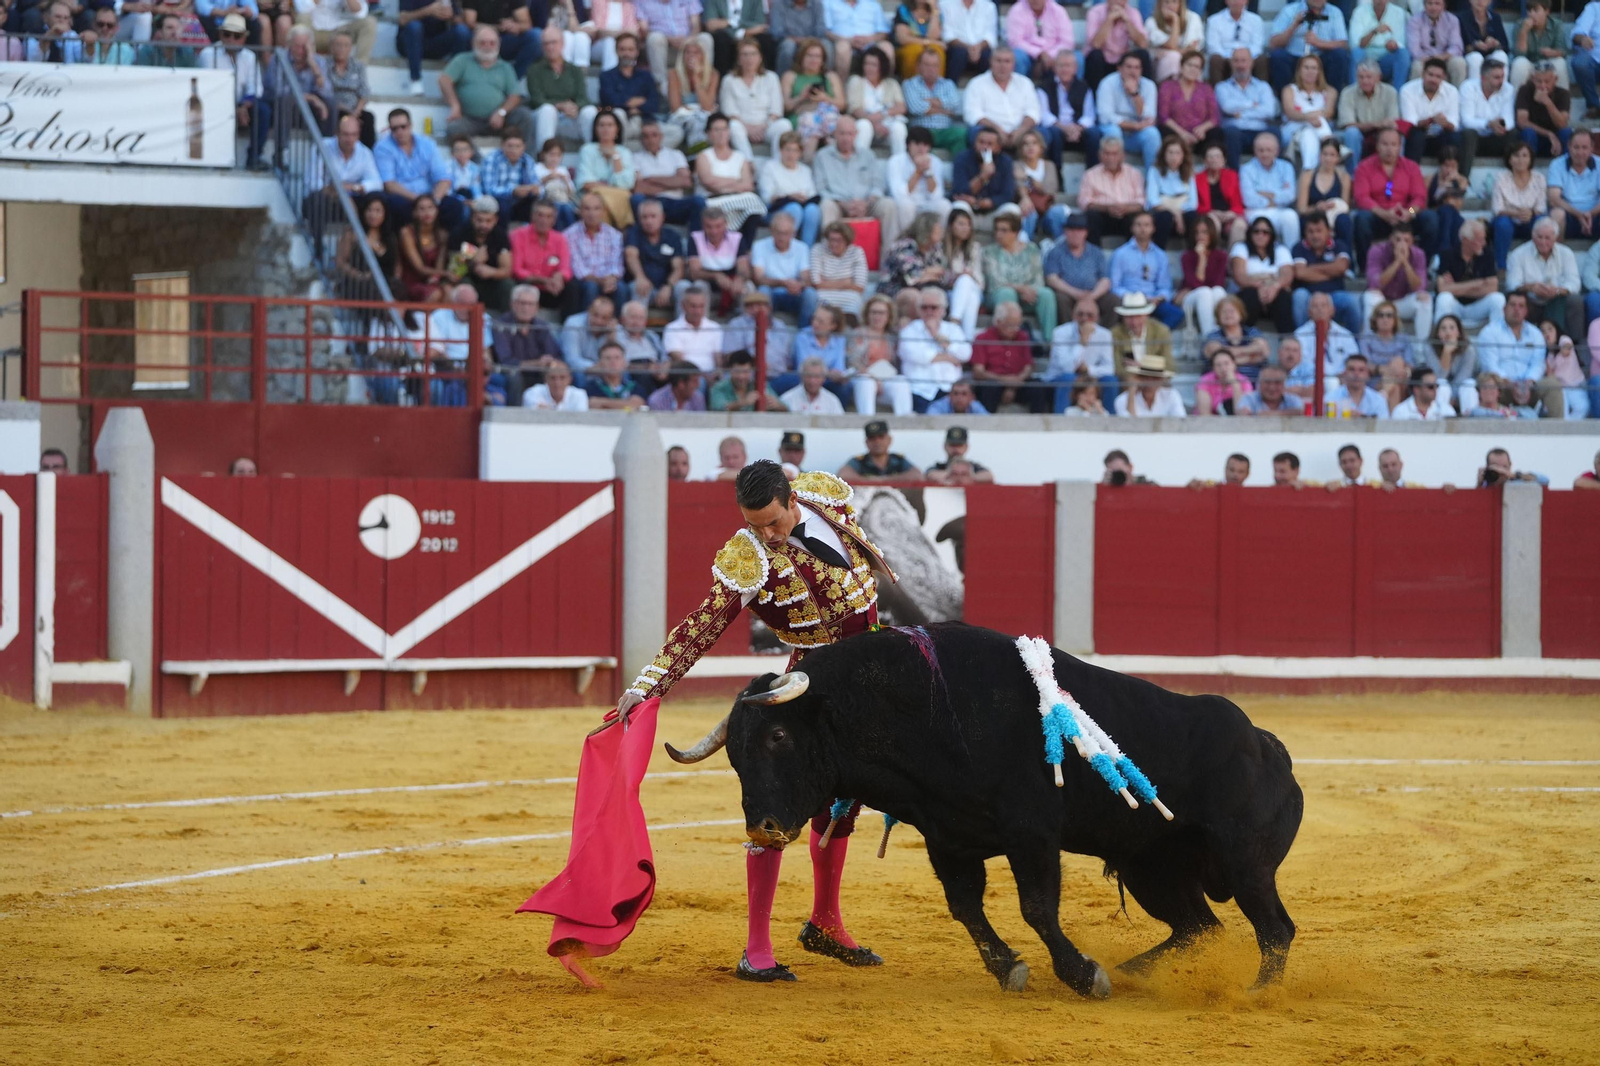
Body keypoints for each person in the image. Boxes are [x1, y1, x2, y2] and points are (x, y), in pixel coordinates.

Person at [615, 462, 899, 982]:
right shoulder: (750, 557)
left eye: (772, 522)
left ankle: (825, 921)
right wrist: (648, 685)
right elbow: (701, 625)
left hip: (868, 683)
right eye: (754, 524)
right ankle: (756, 948)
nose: (765, 534)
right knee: (775, 809)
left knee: (844, 805)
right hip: (804, 692)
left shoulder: (825, 498)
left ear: (793, 501)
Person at [1351, 127, 1434, 269]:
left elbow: (1419, 198)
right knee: (1361, 219)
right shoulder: (1364, 167)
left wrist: (1410, 212)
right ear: (1377, 146)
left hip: (1405, 218)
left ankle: (1422, 267)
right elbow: (1362, 198)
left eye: (1393, 144)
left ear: (1400, 146)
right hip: (1379, 217)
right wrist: (1383, 213)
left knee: (1431, 219)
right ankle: (1365, 268)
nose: (1389, 149)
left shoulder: (1411, 167)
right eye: (1385, 144)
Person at [815, 114, 900, 245]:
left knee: (888, 205)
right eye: (842, 133)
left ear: (856, 134)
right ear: (835, 134)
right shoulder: (822, 156)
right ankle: (828, 257)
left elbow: (878, 185)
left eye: (850, 134)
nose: (846, 138)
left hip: (866, 203)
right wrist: (843, 204)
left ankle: (889, 259)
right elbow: (821, 189)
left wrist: (865, 203)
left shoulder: (868, 155)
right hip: (838, 204)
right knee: (826, 206)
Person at [376, 108, 464, 228]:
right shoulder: (383, 148)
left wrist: (433, 201)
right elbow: (389, 184)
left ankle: (445, 244)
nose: (399, 131)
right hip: (404, 197)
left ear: (411, 125)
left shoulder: (427, 144)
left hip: (431, 197)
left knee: (455, 206)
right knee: (396, 205)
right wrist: (419, 201)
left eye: (403, 126)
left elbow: (443, 178)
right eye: (394, 129)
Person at [1508, 216, 1583, 344]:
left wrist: (1558, 291)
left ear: (1555, 238)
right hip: (1531, 300)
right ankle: (1520, 342)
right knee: (1515, 301)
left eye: (1547, 238)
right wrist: (1532, 287)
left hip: (1557, 298)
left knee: (1575, 301)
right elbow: (1512, 284)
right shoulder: (1518, 254)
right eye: (1539, 237)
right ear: (1532, 235)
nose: (1543, 242)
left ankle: (1574, 345)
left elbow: (1574, 283)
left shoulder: (1566, 253)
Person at [964, 46, 1049, 158]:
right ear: (991, 62)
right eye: (998, 61)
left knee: (1045, 133)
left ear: (1013, 64)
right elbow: (973, 114)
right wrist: (998, 130)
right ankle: (985, 169)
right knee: (975, 132)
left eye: (1007, 61)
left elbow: (1033, 112)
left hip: (1021, 132)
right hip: (991, 131)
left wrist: (1021, 131)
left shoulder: (1025, 83)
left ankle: (1045, 171)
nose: (1002, 66)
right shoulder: (977, 83)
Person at [898, 285, 971, 410]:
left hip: (950, 390)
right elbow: (914, 356)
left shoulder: (954, 330)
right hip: (919, 390)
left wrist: (937, 336)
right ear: (918, 309)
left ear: (943, 310)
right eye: (924, 307)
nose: (929, 311)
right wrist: (950, 358)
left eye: (934, 307)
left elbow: (965, 354)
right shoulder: (909, 330)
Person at [1109, 212, 1184, 330]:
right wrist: (1133, 297)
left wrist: (1159, 298)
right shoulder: (1120, 254)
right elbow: (1114, 286)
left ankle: (1153, 338)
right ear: (1132, 228)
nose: (1143, 229)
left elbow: (1165, 286)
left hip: (1153, 301)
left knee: (1176, 313)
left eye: (1146, 225)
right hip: (1129, 300)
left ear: (1153, 228)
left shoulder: (1160, 255)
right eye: (1138, 225)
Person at [526, 29, 598, 151]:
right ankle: (544, 157)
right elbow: (536, 100)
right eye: (546, 44)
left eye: (554, 42)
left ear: (562, 43)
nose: (550, 47)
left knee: (590, 111)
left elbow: (583, 97)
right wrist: (559, 106)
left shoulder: (574, 70)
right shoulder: (534, 70)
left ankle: (594, 154)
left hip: (570, 116)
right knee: (547, 110)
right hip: (544, 118)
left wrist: (575, 107)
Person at [985, 213, 1056, 336]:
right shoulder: (990, 252)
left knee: (1046, 294)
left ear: (1016, 232)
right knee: (1007, 292)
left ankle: (1049, 342)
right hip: (999, 296)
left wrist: (1029, 291)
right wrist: (1021, 289)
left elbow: (1038, 279)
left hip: (1027, 297)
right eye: (997, 230)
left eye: (1004, 230)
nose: (998, 234)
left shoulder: (1031, 249)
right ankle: (1006, 339)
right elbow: (996, 281)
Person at [632, 118, 703, 231]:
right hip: (651, 204)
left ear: (661, 137)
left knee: (698, 201)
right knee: (637, 199)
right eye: (645, 136)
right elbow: (640, 188)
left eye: (654, 135)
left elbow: (686, 181)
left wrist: (651, 179)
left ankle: (696, 243)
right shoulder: (635, 158)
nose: (650, 139)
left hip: (675, 203)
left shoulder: (675, 155)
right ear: (641, 139)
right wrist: (673, 181)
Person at [1045, 212, 1114, 329]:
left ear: (1086, 232)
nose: (1075, 234)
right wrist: (1075, 293)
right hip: (1069, 294)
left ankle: (1105, 334)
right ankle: (1069, 333)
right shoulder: (1056, 252)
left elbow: (1105, 280)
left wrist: (1092, 296)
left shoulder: (1096, 252)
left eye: (1079, 230)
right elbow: (1052, 279)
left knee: (1114, 301)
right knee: (1060, 298)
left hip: (1094, 294)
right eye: (1071, 230)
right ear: (1065, 231)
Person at [1047, 298, 1117, 412]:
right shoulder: (1060, 332)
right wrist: (1082, 342)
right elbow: (1066, 368)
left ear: (1097, 317)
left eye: (1089, 315)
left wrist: (1088, 369)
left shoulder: (1105, 334)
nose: (1084, 318)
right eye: (1080, 314)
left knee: (1110, 380)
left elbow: (1109, 368)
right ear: (1073, 315)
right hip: (1059, 377)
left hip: (1089, 376)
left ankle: (1112, 422)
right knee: (1068, 378)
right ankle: (1061, 422)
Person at [1290, 211, 1356, 331]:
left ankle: (1354, 343)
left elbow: (1341, 268)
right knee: (1299, 296)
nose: (1315, 235)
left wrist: (1311, 269)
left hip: (1334, 295)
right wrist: (1332, 271)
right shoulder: (1299, 247)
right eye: (1310, 232)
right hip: (1308, 294)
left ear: (1328, 231)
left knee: (1351, 302)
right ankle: (1301, 339)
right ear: (1305, 233)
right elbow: (1300, 273)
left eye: (1319, 231)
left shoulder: (1339, 245)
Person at [720, 39, 786, 158]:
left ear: (760, 57)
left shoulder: (771, 77)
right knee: (733, 126)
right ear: (739, 59)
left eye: (753, 54)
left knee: (784, 125)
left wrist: (762, 128)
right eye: (745, 54)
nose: (749, 58)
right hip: (742, 126)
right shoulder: (729, 80)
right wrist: (749, 129)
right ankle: (748, 162)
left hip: (766, 126)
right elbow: (729, 112)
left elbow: (776, 110)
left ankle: (778, 163)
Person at [750, 210, 818, 326]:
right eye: (778, 233)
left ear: (793, 233)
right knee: (763, 291)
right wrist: (782, 283)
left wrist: (799, 285)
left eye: (786, 233)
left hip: (794, 293)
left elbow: (806, 278)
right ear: (771, 231)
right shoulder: (759, 246)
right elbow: (759, 278)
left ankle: (804, 332)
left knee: (810, 294)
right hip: (772, 291)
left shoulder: (802, 248)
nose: (782, 237)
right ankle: (765, 331)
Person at [1267, 0, 1350, 94]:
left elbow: (1343, 44)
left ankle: (1332, 100)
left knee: (1339, 55)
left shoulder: (1335, 12)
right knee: (1278, 56)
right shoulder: (1290, 10)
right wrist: (1294, 25)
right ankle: (1286, 101)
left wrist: (1318, 43)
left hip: (1321, 57)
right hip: (1295, 57)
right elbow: (1273, 44)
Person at [848, 295, 912, 415]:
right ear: (867, 314)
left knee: (901, 381)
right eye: (874, 312)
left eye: (882, 313)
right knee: (866, 382)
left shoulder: (891, 337)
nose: (877, 317)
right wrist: (873, 377)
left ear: (888, 316)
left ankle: (905, 420)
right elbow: (853, 362)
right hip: (862, 378)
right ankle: (867, 420)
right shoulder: (859, 334)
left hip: (885, 380)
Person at [783, 37, 847, 158]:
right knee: (811, 123)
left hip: (827, 118)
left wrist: (824, 98)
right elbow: (786, 106)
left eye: (817, 56)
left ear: (823, 60)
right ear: (802, 57)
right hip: (801, 117)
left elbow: (842, 104)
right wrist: (801, 97)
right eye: (809, 56)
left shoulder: (831, 76)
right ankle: (808, 162)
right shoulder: (791, 76)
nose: (814, 60)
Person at [1434, 218, 1503, 330]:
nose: (1484, 243)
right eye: (1479, 240)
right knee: (1444, 298)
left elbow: (1493, 287)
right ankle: (1440, 339)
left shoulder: (1487, 254)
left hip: (1478, 305)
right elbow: (1442, 288)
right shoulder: (1447, 254)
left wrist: (1454, 287)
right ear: (1465, 240)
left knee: (1498, 299)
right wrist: (1477, 284)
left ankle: (1497, 338)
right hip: (1456, 305)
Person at [448, 196, 514, 313]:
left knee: (508, 285)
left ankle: (506, 324)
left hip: (491, 285)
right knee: (464, 284)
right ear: (472, 218)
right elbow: (454, 274)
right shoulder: (460, 234)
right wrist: (473, 262)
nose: (484, 225)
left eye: (488, 221)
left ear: (495, 220)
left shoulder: (500, 236)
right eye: (480, 220)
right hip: (469, 282)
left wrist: (491, 272)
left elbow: (507, 270)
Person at [599, 33, 669, 143]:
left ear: (637, 52)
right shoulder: (606, 76)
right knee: (618, 114)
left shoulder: (646, 76)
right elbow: (610, 101)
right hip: (623, 122)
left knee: (676, 132)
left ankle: (635, 147)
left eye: (630, 50)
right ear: (616, 51)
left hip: (645, 122)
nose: (626, 53)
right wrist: (638, 101)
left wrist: (634, 107)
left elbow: (654, 103)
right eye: (622, 49)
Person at [1229, 216, 1295, 333]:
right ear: (1250, 232)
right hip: (1251, 293)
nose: (1261, 235)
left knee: (1283, 296)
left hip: (1273, 292)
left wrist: (1274, 287)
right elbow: (1240, 276)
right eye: (1256, 231)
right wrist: (1259, 286)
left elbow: (1287, 274)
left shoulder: (1280, 249)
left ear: (1271, 235)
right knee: (1251, 295)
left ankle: (1287, 340)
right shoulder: (1241, 248)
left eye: (1265, 232)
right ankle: (1244, 337)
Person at [563, 190, 625, 314]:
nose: (592, 214)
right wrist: (600, 281)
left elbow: (616, 264)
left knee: (622, 289)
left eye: (596, 209)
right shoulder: (569, 234)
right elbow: (577, 267)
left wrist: (611, 279)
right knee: (591, 287)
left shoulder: (614, 234)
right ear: (580, 211)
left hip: (608, 279)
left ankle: (618, 328)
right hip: (584, 281)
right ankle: (588, 327)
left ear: (603, 212)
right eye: (587, 209)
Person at [1096, 52, 1162, 168]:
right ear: (1119, 68)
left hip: (1136, 134)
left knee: (1152, 134)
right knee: (1113, 131)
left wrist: (1135, 94)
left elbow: (1149, 117)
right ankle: (1114, 177)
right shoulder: (1107, 83)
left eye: (1137, 67)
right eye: (1129, 67)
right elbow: (1105, 117)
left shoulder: (1149, 85)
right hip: (1114, 129)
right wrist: (1135, 125)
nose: (1133, 71)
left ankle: (1152, 179)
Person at [623, 198, 687, 314]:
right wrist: (640, 277)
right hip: (645, 286)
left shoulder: (672, 236)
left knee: (684, 286)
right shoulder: (634, 233)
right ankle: (636, 330)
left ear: (662, 217)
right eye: (644, 217)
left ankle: (682, 330)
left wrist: (668, 286)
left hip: (666, 288)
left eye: (653, 216)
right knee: (639, 287)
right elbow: (631, 255)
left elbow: (679, 267)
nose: (649, 221)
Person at [969, 301, 1037, 412]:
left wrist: (1014, 384)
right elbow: (978, 372)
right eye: (1011, 325)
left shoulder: (1022, 336)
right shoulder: (983, 338)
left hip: (1018, 382)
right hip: (993, 382)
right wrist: (1005, 380)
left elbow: (1028, 366)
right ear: (998, 322)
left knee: (1037, 387)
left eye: (1018, 325)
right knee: (989, 388)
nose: (1016, 329)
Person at [1078, 137, 1147, 246]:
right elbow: (1084, 201)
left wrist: (1126, 208)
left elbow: (1141, 201)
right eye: (1106, 154)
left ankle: (1135, 257)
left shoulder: (1134, 174)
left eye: (1115, 154)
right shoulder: (1090, 175)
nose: (1111, 158)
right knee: (1090, 216)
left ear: (1123, 155)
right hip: (1103, 217)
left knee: (1138, 217)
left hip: (1127, 216)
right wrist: (1107, 208)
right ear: (1100, 155)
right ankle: (1096, 257)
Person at [576, 108, 637, 230]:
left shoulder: (624, 152)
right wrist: (611, 187)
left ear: (617, 129)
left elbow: (626, 184)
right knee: (599, 201)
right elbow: (586, 184)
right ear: (595, 129)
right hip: (594, 198)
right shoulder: (587, 150)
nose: (606, 129)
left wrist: (615, 157)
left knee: (615, 197)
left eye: (610, 125)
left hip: (614, 195)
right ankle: (622, 228)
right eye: (601, 125)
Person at [636, 0, 714, 95]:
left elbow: (696, 25)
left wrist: (688, 40)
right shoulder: (642, 2)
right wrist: (670, 39)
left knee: (706, 38)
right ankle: (661, 84)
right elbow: (645, 31)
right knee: (654, 38)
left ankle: (706, 81)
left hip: (688, 41)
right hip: (664, 44)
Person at [1492, 142, 1548, 272]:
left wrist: (1531, 213)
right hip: (1508, 219)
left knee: (1542, 221)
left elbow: (1541, 207)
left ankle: (1539, 265)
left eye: (1525, 155)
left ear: (1530, 159)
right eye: (1516, 156)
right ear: (1510, 159)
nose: (1521, 159)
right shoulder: (1502, 177)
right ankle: (1501, 267)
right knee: (1502, 224)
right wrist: (1516, 214)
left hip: (1530, 218)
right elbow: (1497, 209)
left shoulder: (1539, 178)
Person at [903, 44, 968, 154]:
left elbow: (956, 105)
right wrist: (945, 110)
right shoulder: (909, 84)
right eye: (927, 65)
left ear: (940, 67)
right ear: (919, 66)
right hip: (921, 131)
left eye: (935, 65)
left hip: (945, 131)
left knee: (962, 134)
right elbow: (915, 108)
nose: (931, 69)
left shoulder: (948, 84)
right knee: (918, 140)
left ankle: (961, 170)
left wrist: (929, 103)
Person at [1240, 132, 1301, 248]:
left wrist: (1263, 194)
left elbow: (1290, 195)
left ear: (1277, 151)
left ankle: (1292, 254)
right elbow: (1248, 199)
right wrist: (1275, 198)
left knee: (1291, 216)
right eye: (1261, 150)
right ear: (1254, 151)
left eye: (1269, 150)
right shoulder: (1246, 169)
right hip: (1255, 211)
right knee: (1258, 221)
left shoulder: (1286, 167)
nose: (1265, 154)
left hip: (1280, 211)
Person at [886, 126, 952, 233]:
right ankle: (906, 241)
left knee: (945, 206)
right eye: (917, 144)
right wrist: (918, 171)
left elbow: (937, 195)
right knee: (905, 205)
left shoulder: (935, 162)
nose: (921, 149)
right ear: (908, 144)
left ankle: (938, 243)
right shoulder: (895, 161)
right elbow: (899, 194)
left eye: (925, 145)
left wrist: (928, 171)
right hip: (906, 202)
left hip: (927, 202)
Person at [397, 0, 471, 94]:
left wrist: (451, 16)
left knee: (462, 31)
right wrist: (428, 11)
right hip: (409, 44)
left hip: (435, 44)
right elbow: (402, 19)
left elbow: (459, 21)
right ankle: (415, 80)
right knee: (415, 27)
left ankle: (454, 80)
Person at [1458, 58, 1516, 177]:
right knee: (1469, 133)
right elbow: (1466, 121)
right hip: (1473, 139)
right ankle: (1464, 180)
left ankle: (1510, 179)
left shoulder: (1508, 89)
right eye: (1496, 78)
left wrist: (1501, 125)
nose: (1501, 81)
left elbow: (1509, 120)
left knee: (1513, 133)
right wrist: (1489, 124)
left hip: (1495, 137)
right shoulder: (1468, 87)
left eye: (1502, 77)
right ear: (1483, 78)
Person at [1041, 50, 1099, 167]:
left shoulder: (1084, 87)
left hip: (1078, 130)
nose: (1065, 69)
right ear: (1054, 68)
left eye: (1068, 65)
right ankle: (1057, 176)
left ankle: (1092, 173)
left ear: (1075, 68)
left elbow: (1089, 115)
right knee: (1053, 134)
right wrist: (1064, 128)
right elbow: (1044, 115)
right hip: (1057, 128)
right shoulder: (1044, 87)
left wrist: (1078, 128)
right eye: (1061, 65)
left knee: (1094, 134)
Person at [1158, 50, 1221, 158]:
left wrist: (1203, 128)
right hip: (1176, 132)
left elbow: (1214, 118)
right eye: (1189, 65)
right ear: (1181, 67)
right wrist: (1182, 134)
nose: (1193, 69)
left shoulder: (1206, 89)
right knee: (1164, 131)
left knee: (1216, 133)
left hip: (1199, 135)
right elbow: (1163, 116)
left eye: (1197, 67)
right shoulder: (1168, 86)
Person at [847, 44, 907, 157]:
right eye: (866, 64)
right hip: (865, 126)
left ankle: (899, 163)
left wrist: (883, 113)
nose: (869, 68)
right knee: (864, 125)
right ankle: (860, 165)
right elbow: (855, 109)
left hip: (886, 129)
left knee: (899, 128)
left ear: (882, 66)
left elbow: (901, 107)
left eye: (874, 64)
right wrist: (874, 123)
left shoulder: (891, 84)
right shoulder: (856, 81)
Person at [1399, 57, 1460, 164]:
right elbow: (1410, 123)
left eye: (1438, 76)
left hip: (1439, 138)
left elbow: (1454, 124)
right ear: (1423, 74)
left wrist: (1445, 123)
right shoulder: (1407, 90)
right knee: (1416, 135)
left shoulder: (1452, 91)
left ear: (1444, 78)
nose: (1433, 80)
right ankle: (1412, 175)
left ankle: (1454, 176)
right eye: (1430, 75)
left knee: (1455, 136)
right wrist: (1432, 120)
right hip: (1416, 139)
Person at [1281, 54, 1337, 171]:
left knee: (1308, 134)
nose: (1310, 71)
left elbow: (1329, 113)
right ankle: (1331, 144)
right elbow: (1291, 113)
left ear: (1319, 71)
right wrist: (1310, 117)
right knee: (1317, 121)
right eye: (1306, 67)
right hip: (1292, 129)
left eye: (1314, 68)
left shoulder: (1329, 91)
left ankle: (1308, 170)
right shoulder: (1289, 90)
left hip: (1313, 131)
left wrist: (1308, 117)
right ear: (1299, 71)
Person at [509, 200, 571, 306]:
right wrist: (543, 280)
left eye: (548, 216)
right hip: (528, 285)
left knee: (572, 287)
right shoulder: (517, 235)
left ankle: (570, 322)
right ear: (532, 217)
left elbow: (566, 269)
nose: (544, 220)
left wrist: (559, 276)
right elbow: (517, 270)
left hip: (551, 287)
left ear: (554, 220)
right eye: (540, 215)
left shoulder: (560, 239)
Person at [951, 127, 1018, 223]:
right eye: (981, 142)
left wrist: (979, 203)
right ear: (975, 143)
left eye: (990, 144)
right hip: (968, 211)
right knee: (959, 206)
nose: (985, 147)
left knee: (1012, 210)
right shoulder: (962, 158)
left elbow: (1007, 195)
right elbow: (959, 192)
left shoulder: (1005, 162)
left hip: (994, 212)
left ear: (998, 147)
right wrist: (982, 177)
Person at [1338, 59, 1400, 163]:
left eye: (1369, 77)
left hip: (1382, 131)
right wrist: (1376, 124)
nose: (1365, 81)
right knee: (1351, 133)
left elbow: (1392, 122)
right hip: (1358, 133)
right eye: (1361, 77)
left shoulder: (1390, 92)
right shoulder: (1347, 93)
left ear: (1378, 78)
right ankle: (1354, 175)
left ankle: (1395, 173)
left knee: (1395, 134)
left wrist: (1380, 126)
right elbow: (1348, 124)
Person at [1082, 0, 1151, 90]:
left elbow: (1143, 44)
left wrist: (1127, 21)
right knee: (1095, 55)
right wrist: (1109, 19)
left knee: (1143, 55)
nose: (1118, 2)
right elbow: (1096, 44)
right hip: (1102, 60)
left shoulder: (1133, 13)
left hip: (1124, 61)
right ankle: (1096, 98)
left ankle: (1144, 96)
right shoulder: (1095, 12)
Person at [1178, 215, 1229, 336]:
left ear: (1212, 233)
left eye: (1205, 232)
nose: (1200, 236)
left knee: (1218, 291)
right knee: (1204, 291)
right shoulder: (1187, 256)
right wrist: (1201, 259)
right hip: (1191, 299)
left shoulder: (1221, 256)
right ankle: (1210, 338)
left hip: (1210, 295)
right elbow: (1194, 284)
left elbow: (1218, 282)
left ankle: (1221, 335)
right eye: (1197, 232)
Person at [1146, 136, 1200, 249]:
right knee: (1165, 217)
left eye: (1177, 153)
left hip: (1182, 212)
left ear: (1183, 156)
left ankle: (1193, 253)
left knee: (1193, 217)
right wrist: (1176, 214)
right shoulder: (1154, 171)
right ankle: (1159, 252)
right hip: (1163, 213)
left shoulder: (1188, 172)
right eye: (1170, 152)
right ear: (1164, 154)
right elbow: (1153, 201)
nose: (1174, 157)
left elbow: (1193, 203)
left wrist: (1179, 213)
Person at [809, 220, 870, 319]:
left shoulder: (857, 252)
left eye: (839, 240)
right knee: (814, 299)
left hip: (850, 297)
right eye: (831, 239)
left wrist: (827, 282)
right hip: (823, 295)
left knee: (854, 301)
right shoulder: (818, 249)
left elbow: (860, 286)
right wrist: (847, 282)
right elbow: (816, 283)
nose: (834, 244)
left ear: (847, 241)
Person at [1297, 290, 1362, 383]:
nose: (1320, 309)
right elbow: (1303, 364)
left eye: (1323, 306)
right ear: (1309, 312)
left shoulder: (1345, 335)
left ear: (1332, 310)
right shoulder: (1300, 335)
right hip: (1312, 381)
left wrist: (1342, 376)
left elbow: (1353, 359)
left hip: (1342, 382)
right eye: (1315, 306)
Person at [1548, 129, 1600, 243]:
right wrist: (1579, 215)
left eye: (1584, 147)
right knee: (1557, 214)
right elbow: (1554, 199)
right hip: (1569, 216)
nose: (1580, 152)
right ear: (1569, 147)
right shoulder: (1557, 165)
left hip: (1595, 216)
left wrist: (1589, 214)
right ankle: (1558, 257)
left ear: (1592, 148)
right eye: (1576, 147)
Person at [398, 193, 452, 302]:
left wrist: (436, 277)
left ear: (436, 211)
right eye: (421, 209)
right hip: (411, 282)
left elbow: (439, 265)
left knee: (449, 291)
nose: (427, 212)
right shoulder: (407, 233)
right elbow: (419, 268)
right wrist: (447, 274)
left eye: (430, 208)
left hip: (431, 280)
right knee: (435, 293)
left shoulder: (442, 234)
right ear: (415, 213)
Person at [667, 36, 720, 148]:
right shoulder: (674, 74)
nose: (692, 56)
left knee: (701, 120)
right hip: (680, 118)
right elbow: (675, 107)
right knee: (697, 121)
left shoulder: (713, 74)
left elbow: (707, 106)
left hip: (701, 117)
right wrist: (697, 109)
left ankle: (697, 155)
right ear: (682, 55)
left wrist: (696, 77)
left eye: (696, 53)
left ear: (703, 56)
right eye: (688, 53)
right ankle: (695, 155)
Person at [823, 0, 891, 86]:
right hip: (843, 42)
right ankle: (840, 88)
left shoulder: (873, 5)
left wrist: (869, 39)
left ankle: (886, 87)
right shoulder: (829, 3)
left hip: (870, 43)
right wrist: (847, 40)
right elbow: (826, 31)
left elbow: (883, 32)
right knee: (842, 48)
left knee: (887, 47)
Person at [1203, 294, 1269, 381]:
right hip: (1222, 384)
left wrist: (1229, 359)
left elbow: (1263, 350)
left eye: (1232, 311)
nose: (1228, 315)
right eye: (1224, 312)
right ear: (1218, 316)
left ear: (1241, 314)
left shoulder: (1252, 332)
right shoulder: (1213, 336)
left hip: (1254, 383)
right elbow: (1217, 353)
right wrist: (1250, 356)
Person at [1516, 62, 1572, 164]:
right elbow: (1522, 122)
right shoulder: (1524, 90)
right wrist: (1548, 133)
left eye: (1547, 81)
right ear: (1532, 79)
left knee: (1567, 133)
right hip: (1533, 137)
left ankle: (1565, 169)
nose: (1543, 86)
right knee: (1528, 132)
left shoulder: (1563, 94)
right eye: (1539, 81)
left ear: (1555, 80)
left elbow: (1562, 124)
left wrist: (1547, 102)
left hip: (1555, 142)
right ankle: (1527, 168)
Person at [943, 206, 987, 338]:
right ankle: (967, 341)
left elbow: (980, 282)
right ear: (951, 225)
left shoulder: (975, 248)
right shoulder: (941, 247)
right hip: (950, 291)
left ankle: (954, 322)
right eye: (961, 224)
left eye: (968, 225)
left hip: (972, 286)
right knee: (971, 298)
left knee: (966, 281)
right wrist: (956, 277)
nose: (966, 228)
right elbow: (940, 276)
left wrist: (968, 275)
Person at [1016, 130, 1067, 243]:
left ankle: (1061, 246)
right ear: (1020, 148)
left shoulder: (1049, 165)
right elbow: (1018, 187)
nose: (1030, 147)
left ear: (1041, 147)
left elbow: (1050, 190)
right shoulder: (1016, 165)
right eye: (1026, 144)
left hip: (1046, 211)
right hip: (1026, 210)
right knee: (1028, 211)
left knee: (1058, 211)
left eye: (1034, 143)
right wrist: (1025, 197)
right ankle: (1025, 247)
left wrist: (1028, 178)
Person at [1348, 0, 1410, 89]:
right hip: (1366, 56)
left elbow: (1400, 43)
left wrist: (1393, 44)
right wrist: (1374, 31)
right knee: (1357, 53)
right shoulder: (1359, 11)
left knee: (1403, 54)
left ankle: (1398, 95)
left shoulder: (1398, 12)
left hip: (1386, 57)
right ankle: (1354, 93)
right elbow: (1356, 44)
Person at [1424, 312, 1478, 410]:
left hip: (1459, 392)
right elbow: (1438, 378)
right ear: (1438, 333)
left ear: (1458, 333)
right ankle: (1439, 416)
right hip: (1439, 391)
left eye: (1452, 328)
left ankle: (1471, 419)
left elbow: (1463, 378)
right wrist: (1446, 353)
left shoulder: (1469, 350)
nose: (1448, 333)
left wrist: (1452, 396)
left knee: (1469, 384)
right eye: (1443, 329)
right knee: (1442, 385)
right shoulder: (1430, 348)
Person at [1005, 0, 1073, 79]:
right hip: (1027, 55)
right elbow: (1015, 41)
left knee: (1077, 59)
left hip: (1054, 54)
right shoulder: (1016, 10)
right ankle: (1019, 89)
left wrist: (1050, 55)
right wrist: (1039, 54)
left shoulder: (1058, 11)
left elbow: (1067, 42)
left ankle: (1073, 91)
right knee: (1018, 57)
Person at [1205, 0, 1267, 85]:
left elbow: (1257, 45)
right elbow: (1213, 46)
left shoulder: (1256, 20)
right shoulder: (1214, 20)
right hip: (1225, 57)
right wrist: (1233, 57)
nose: (1236, 2)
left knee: (1261, 59)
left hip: (1248, 56)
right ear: (1226, 1)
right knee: (1215, 59)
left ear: (1247, 1)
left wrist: (1243, 58)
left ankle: (1262, 92)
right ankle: (1217, 92)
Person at [1512, 0, 1568, 91]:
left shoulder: (1556, 25)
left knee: (1560, 63)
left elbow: (1562, 50)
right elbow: (1519, 54)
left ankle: (1562, 102)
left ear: (1547, 11)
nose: (1531, 14)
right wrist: (1524, 31)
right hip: (1529, 63)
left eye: (1536, 10)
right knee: (1519, 63)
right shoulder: (1520, 25)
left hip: (1548, 63)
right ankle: (1517, 102)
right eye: (1529, 11)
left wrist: (1552, 52)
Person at [1406, 0, 1465, 85]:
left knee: (1459, 63)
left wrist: (1442, 57)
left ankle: (1457, 95)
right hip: (1424, 59)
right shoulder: (1415, 20)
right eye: (1430, 3)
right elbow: (1414, 49)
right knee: (1417, 67)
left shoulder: (1452, 20)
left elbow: (1456, 46)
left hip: (1445, 57)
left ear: (1443, 6)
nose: (1433, 7)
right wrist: (1429, 59)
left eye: (1437, 3)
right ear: (1424, 5)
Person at [1114, 351, 1187, 416]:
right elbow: (1129, 425)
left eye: (1155, 378)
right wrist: (1132, 392)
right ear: (1138, 378)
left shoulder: (1171, 395)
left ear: (1161, 379)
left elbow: (1181, 422)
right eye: (1145, 377)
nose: (1150, 381)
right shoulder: (1122, 400)